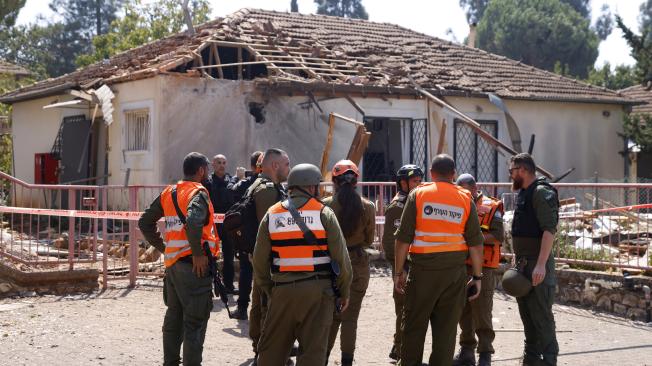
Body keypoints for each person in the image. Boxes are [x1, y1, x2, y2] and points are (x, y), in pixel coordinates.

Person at [253, 163, 353, 366]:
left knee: (271, 353)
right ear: (310, 187)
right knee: (312, 354)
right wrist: (344, 292)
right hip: (318, 292)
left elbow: (259, 260)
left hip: (282, 291)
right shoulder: (324, 213)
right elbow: (341, 260)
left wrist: (270, 289)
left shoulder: (272, 214)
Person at [394, 154, 484, 366]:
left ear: (431, 174)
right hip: (454, 274)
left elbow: (402, 239)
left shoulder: (419, 194)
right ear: (454, 174)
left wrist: (399, 273)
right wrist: (477, 277)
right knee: (446, 331)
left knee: (413, 328)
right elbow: (476, 243)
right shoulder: (465, 198)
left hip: (422, 271)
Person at [138, 152, 219, 366]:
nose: (208, 173)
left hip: (173, 266)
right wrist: (199, 255)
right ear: (201, 171)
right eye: (207, 170)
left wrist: (164, 248)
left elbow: (145, 222)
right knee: (195, 323)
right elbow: (193, 223)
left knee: (174, 318)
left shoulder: (169, 192)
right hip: (194, 267)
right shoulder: (198, 193)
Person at [508, 153, 559, 366]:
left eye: (512, 171)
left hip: (536, 264)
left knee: (541, 317)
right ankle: (530, 359)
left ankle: (548, 361)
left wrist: (540, 265)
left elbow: (549, 230)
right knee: (527, 315)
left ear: (522, 169)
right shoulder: (525, 192)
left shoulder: (541, 192)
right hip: (523, 264)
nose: (510, 175)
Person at [324, 160, 376, 366]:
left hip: (331, 265)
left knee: (331, 317)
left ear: (334, 181)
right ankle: (347, 362)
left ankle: (322, 358)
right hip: (358, 264)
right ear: (356, 181)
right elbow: (369, 240)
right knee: (350, 318)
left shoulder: (325, 205)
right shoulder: (368, 206)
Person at [453, 174, 504, 366]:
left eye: (465, 190)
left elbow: (498, 236)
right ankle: (467, 352)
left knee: (482, 311)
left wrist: (472, 239)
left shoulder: (491, 206)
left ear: (475, 189)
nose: (462, 194)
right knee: (463, 310)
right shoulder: (456, 204)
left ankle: (485, 355)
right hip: (460, 265)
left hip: (483, 267)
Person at [244, 148, 290, 362]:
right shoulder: (268, 190)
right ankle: (266, 350)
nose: (289, 168)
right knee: (267, 302)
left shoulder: (258, 184)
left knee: (258, 299)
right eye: (286, 164)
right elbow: (270, 229)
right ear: (275, 166)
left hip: (259, 254)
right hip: (269, 256)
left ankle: (260, 346)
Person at [382, 164, 424, 362]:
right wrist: (402, 269)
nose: (419, 184)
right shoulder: (398, 206)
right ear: (403, 183)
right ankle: (401, 351)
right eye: (415, 181)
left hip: (415, 266)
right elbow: (391, 244)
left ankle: (398, 346)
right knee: (405, 310)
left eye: (420, 180)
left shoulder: (414, 201)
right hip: (404, 268)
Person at [203, 154, 238, 293]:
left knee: (229, 255)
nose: (222, 165)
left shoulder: (231, 181)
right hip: (212, 224)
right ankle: (210, 286)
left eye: (224, 162)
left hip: (228, 223)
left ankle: (229, 285)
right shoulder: (208, 181)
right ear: (213, 164)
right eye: (219, 162)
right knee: (211, 256)